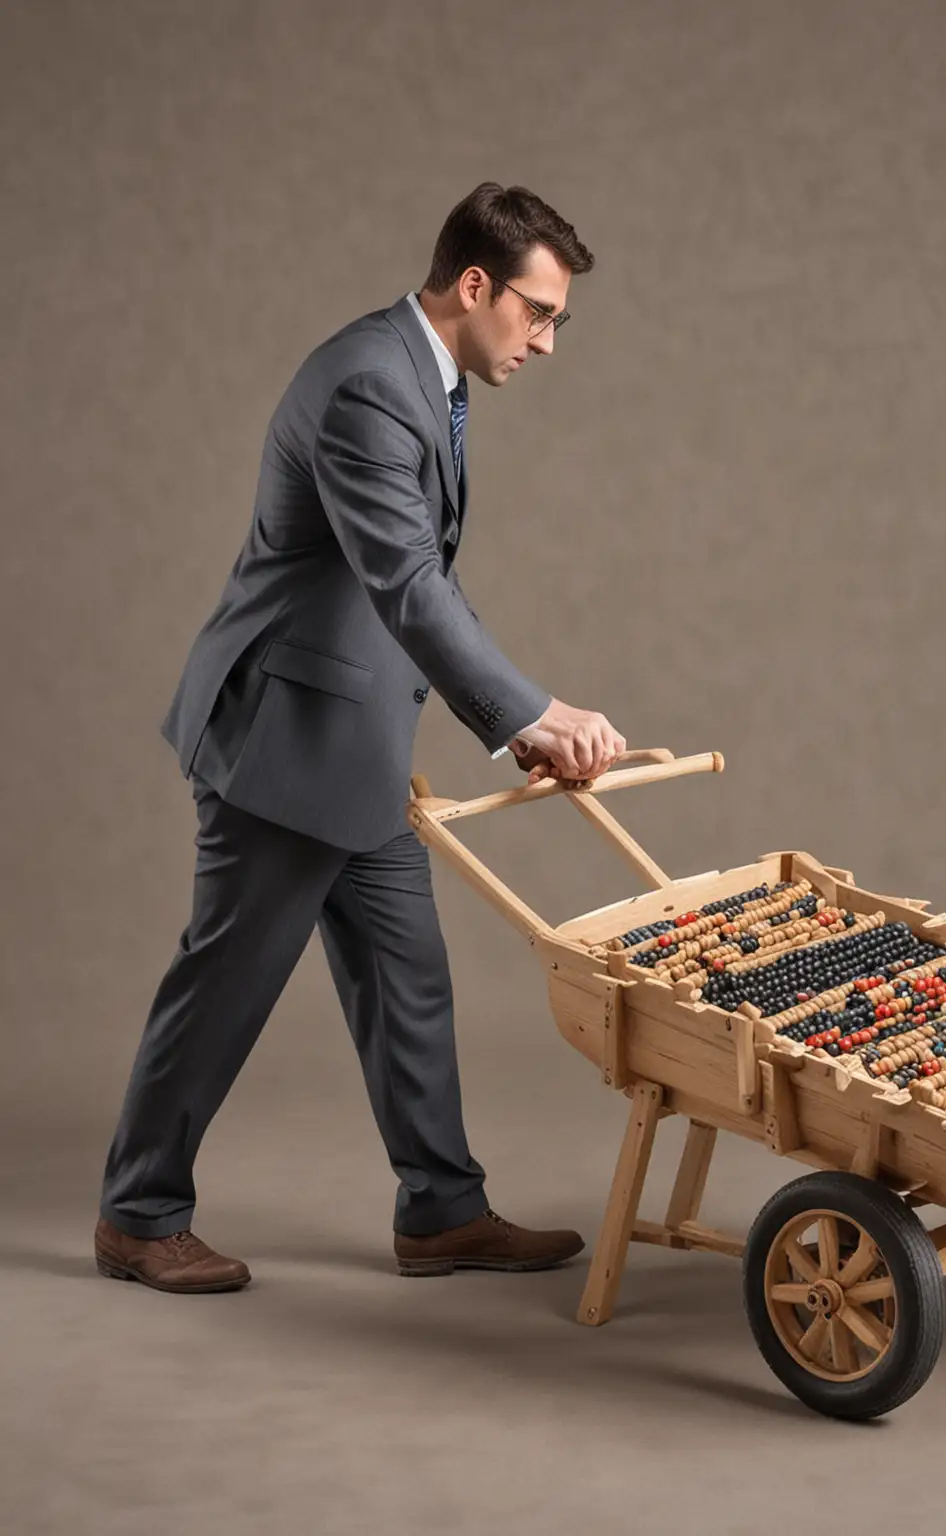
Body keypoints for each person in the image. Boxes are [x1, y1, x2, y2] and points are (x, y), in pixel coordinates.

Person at [94, 182, 624, 1294]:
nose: (546, 341)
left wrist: (508, 726)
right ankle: (139, 1216)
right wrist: (532, 711)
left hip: (354, 745)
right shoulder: (366, 387)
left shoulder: (419, 377)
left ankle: (441, 1211)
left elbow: (424, 583)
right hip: (282, 748)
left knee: (407, 977)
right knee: (227, 984)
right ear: (474, 285)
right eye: (538, 312)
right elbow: (408, 585)